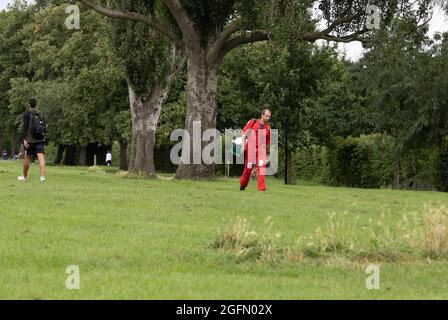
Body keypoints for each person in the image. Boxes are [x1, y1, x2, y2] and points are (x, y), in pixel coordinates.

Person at [240, 108, 271, 191]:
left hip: (261, 151)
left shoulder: (267, 127)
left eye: (269, 116)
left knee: (262, 167)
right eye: (267, 116)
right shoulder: (253, 122)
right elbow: (243, 134)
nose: (268, 118)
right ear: (262, 115)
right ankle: (242, 184)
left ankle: (262, 188)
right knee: (248, 169)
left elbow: (267, 142)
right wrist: (243, 145)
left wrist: (268, 153)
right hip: (251, 150)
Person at [17, 98, 46, 182]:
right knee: (41, 157)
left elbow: (25, 128)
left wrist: (24, 139)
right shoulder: (40, 113)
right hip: (40, 138)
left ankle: (24, 177)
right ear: (36, 104)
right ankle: (42, 176)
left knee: (27, 157)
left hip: (30, 140)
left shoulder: (26, 114)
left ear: (29, 104)